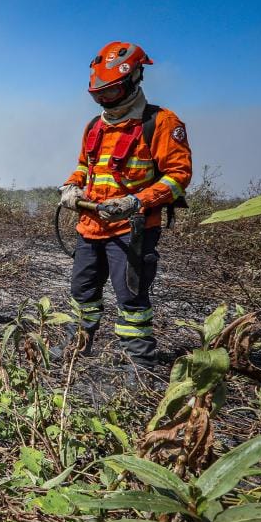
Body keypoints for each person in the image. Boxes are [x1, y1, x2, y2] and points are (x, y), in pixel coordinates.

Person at [58, 42, 191, 368]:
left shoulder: (160, 122)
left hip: (133, 229)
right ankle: (78, 347)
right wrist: (71, 185)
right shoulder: (94, 126)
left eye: (110, 92)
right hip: (90, 228)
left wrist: (136, 202)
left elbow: (178, 176)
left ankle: (138, 365)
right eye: (97, 95)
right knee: (82, 291)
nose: (103, 100)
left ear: (134, 80)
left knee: (131, 298)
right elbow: (85, 166)